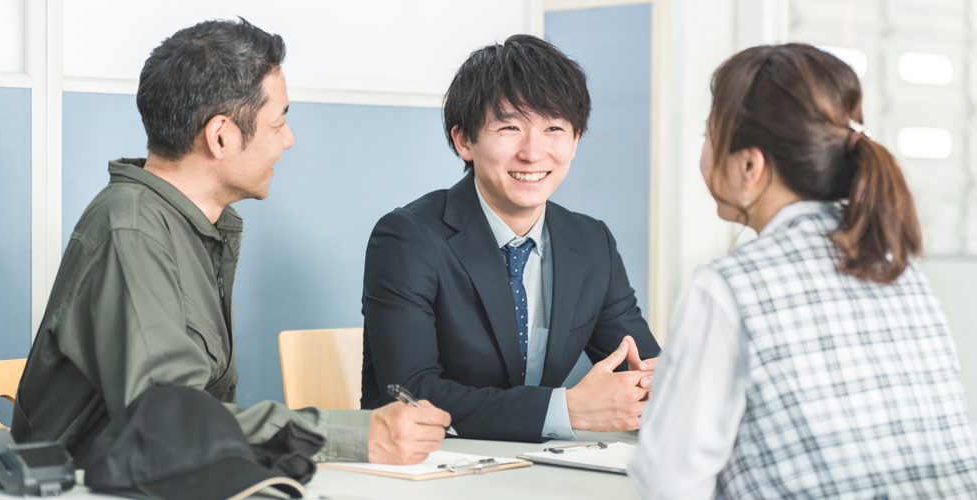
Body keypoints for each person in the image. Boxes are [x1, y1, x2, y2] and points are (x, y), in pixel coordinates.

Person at [11, 19, 450, 467]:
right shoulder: (132, 229)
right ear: (221, 136)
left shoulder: (195, 225)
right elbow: (165, 421)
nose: (289, 139)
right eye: (278, 122)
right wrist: (355, 437)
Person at [630, 43, 977, 499]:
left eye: (707, 135)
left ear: (750, 166)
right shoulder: (897, 268)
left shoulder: (729, 287)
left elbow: (669, 482)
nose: (704, 151)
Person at [360, 34, 661, 442]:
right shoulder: (408, 238)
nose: (533, 152)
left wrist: (657, 384)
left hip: (545, 471)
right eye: (509, 127)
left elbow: (642, 368)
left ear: (574, 141)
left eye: (554, 127)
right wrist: (565, 409)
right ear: (464, 140)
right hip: (436, 468)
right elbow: (411, 395)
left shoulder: (592, 242)